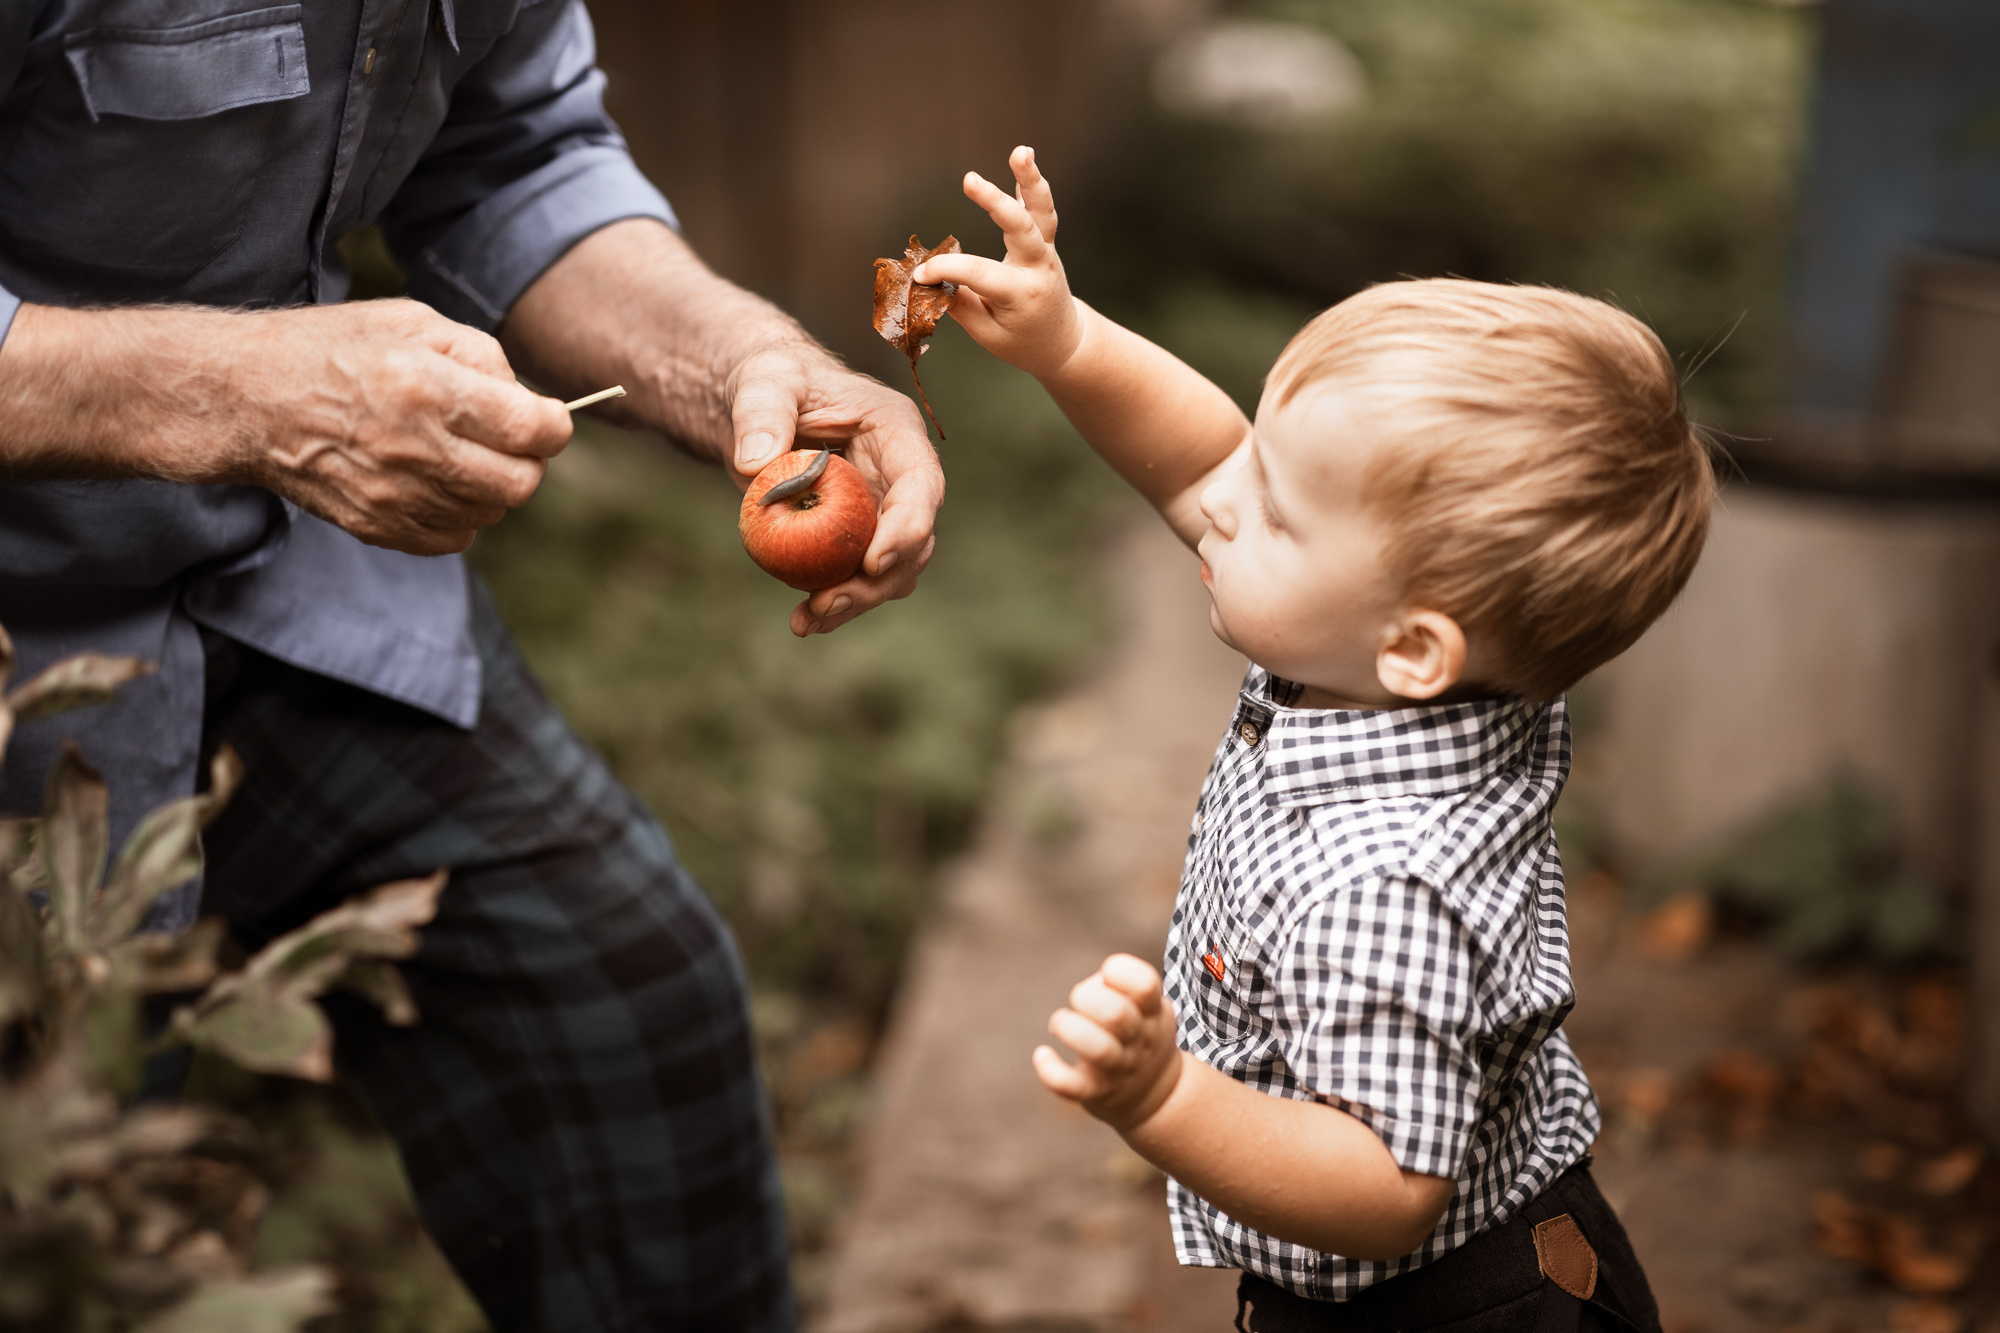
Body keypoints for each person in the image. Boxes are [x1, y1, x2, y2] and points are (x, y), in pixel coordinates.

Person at [0, 6, 944, 1330]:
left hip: (280, 581)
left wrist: (748, 363)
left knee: (626, 1015)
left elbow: (516, 160)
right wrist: (247, 398)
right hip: (26, 665)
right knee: (68, 1222)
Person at [916, 146, 1713, 1331]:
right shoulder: (1382, 661)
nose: (1223, 499)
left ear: (1413, 646)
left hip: (1454, 1308)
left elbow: (1387, 1184)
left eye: (1275, 510)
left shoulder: (1388, 881)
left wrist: (1163, 1095)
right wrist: (1068, 342)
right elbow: (1200, 455)